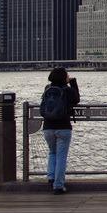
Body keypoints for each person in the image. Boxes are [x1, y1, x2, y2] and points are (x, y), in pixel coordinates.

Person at [40, 67, 80, 195]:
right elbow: (76, 99)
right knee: (61, 156)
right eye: (67, 75)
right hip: (63, 127)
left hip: (48, 127)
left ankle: (51, 178)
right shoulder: (67, 90)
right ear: (64, 78)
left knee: (52, 153)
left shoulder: (48, 89)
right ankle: (58, 185)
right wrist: (73, 83)